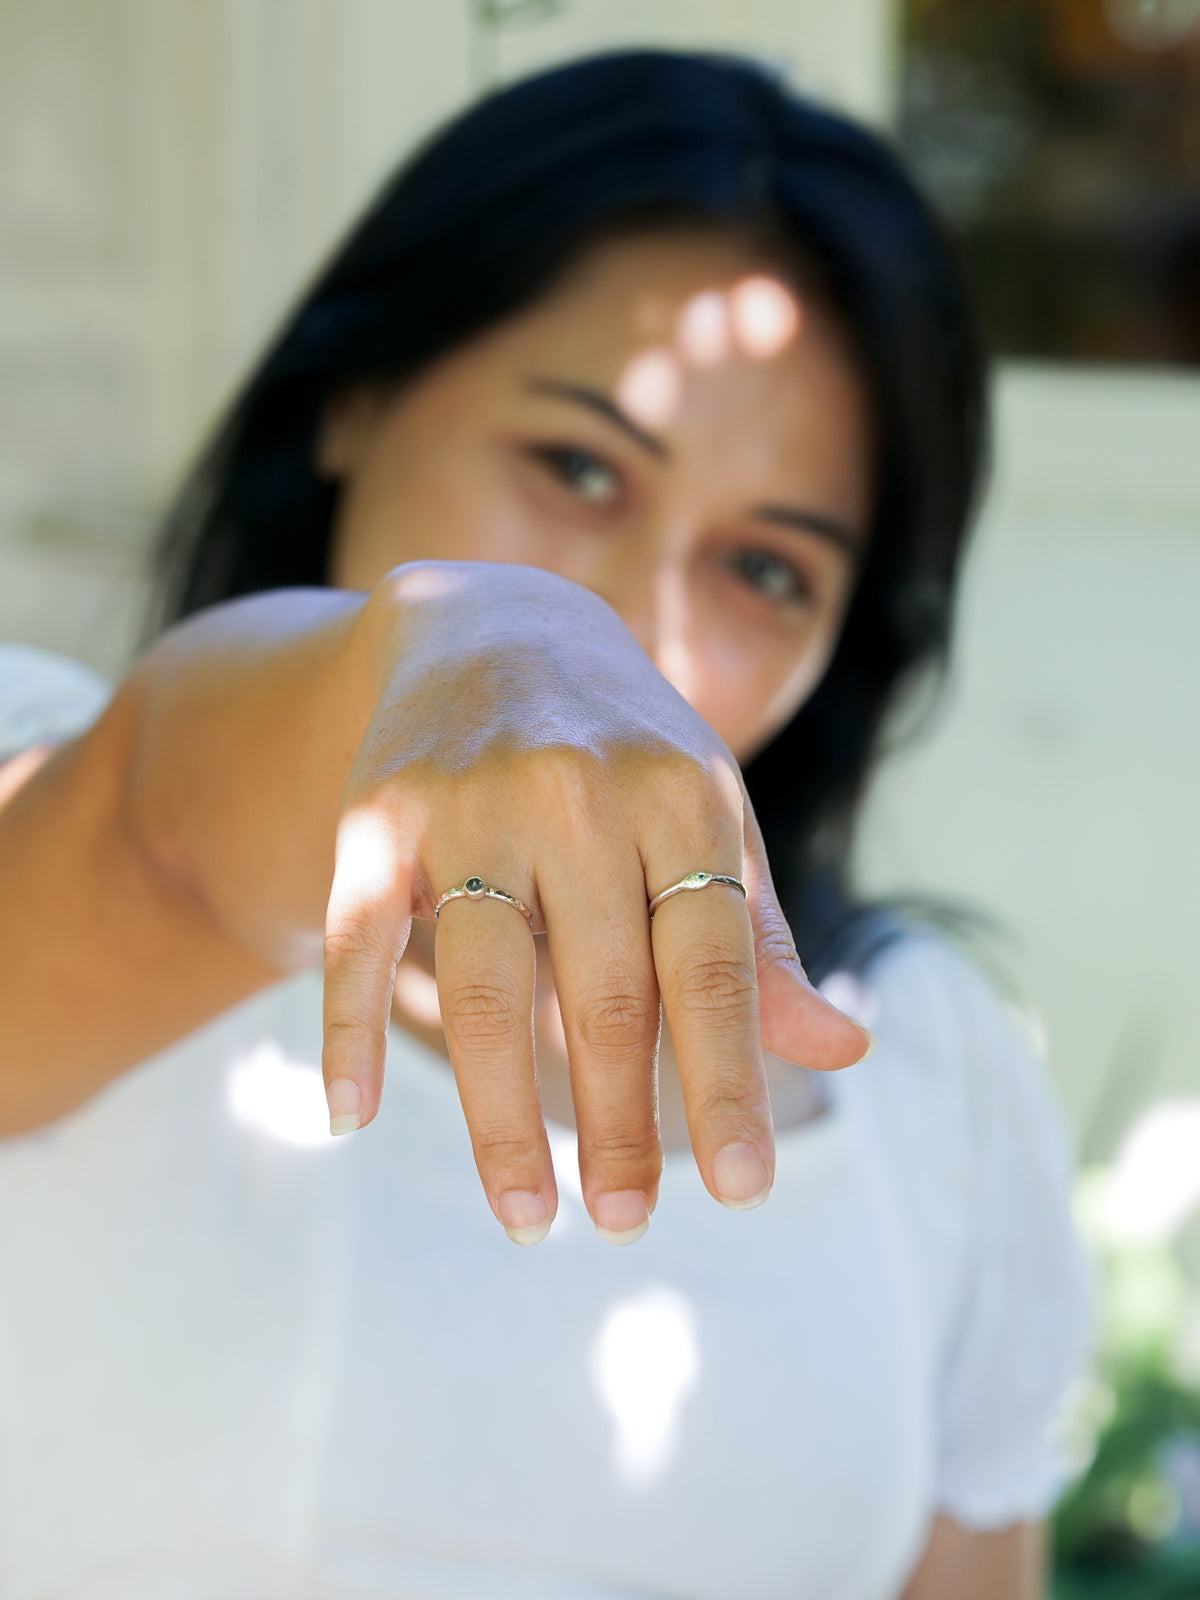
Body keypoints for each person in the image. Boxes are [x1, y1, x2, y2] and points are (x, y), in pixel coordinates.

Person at [0, 49, 1091, 1600]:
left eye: (764, 569)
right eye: (577, 467)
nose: (635, 622)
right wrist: (476, 633)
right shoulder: (49, 784)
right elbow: (153, 828)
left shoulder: (921, 1062)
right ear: (355, 398)